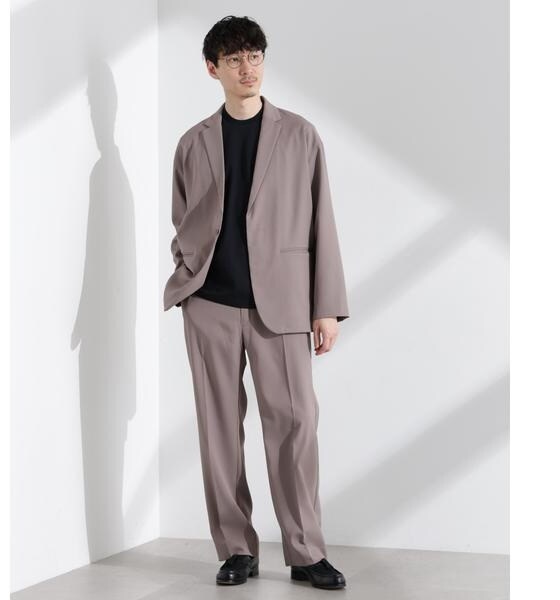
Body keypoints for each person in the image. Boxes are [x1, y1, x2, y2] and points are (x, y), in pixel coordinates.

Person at [163, 15, 350, 590]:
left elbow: (322, 221)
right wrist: (188, 272)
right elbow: (182, 218)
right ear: (212, 69)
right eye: (234, 59)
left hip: (285, 308)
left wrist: (325, 305)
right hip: (210, 306)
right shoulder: (193, 142)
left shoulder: (300, 135)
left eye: (255, 56)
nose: (247, 68)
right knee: (219, 431)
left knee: (295, 424)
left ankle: (306, 550)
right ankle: (236, 549)